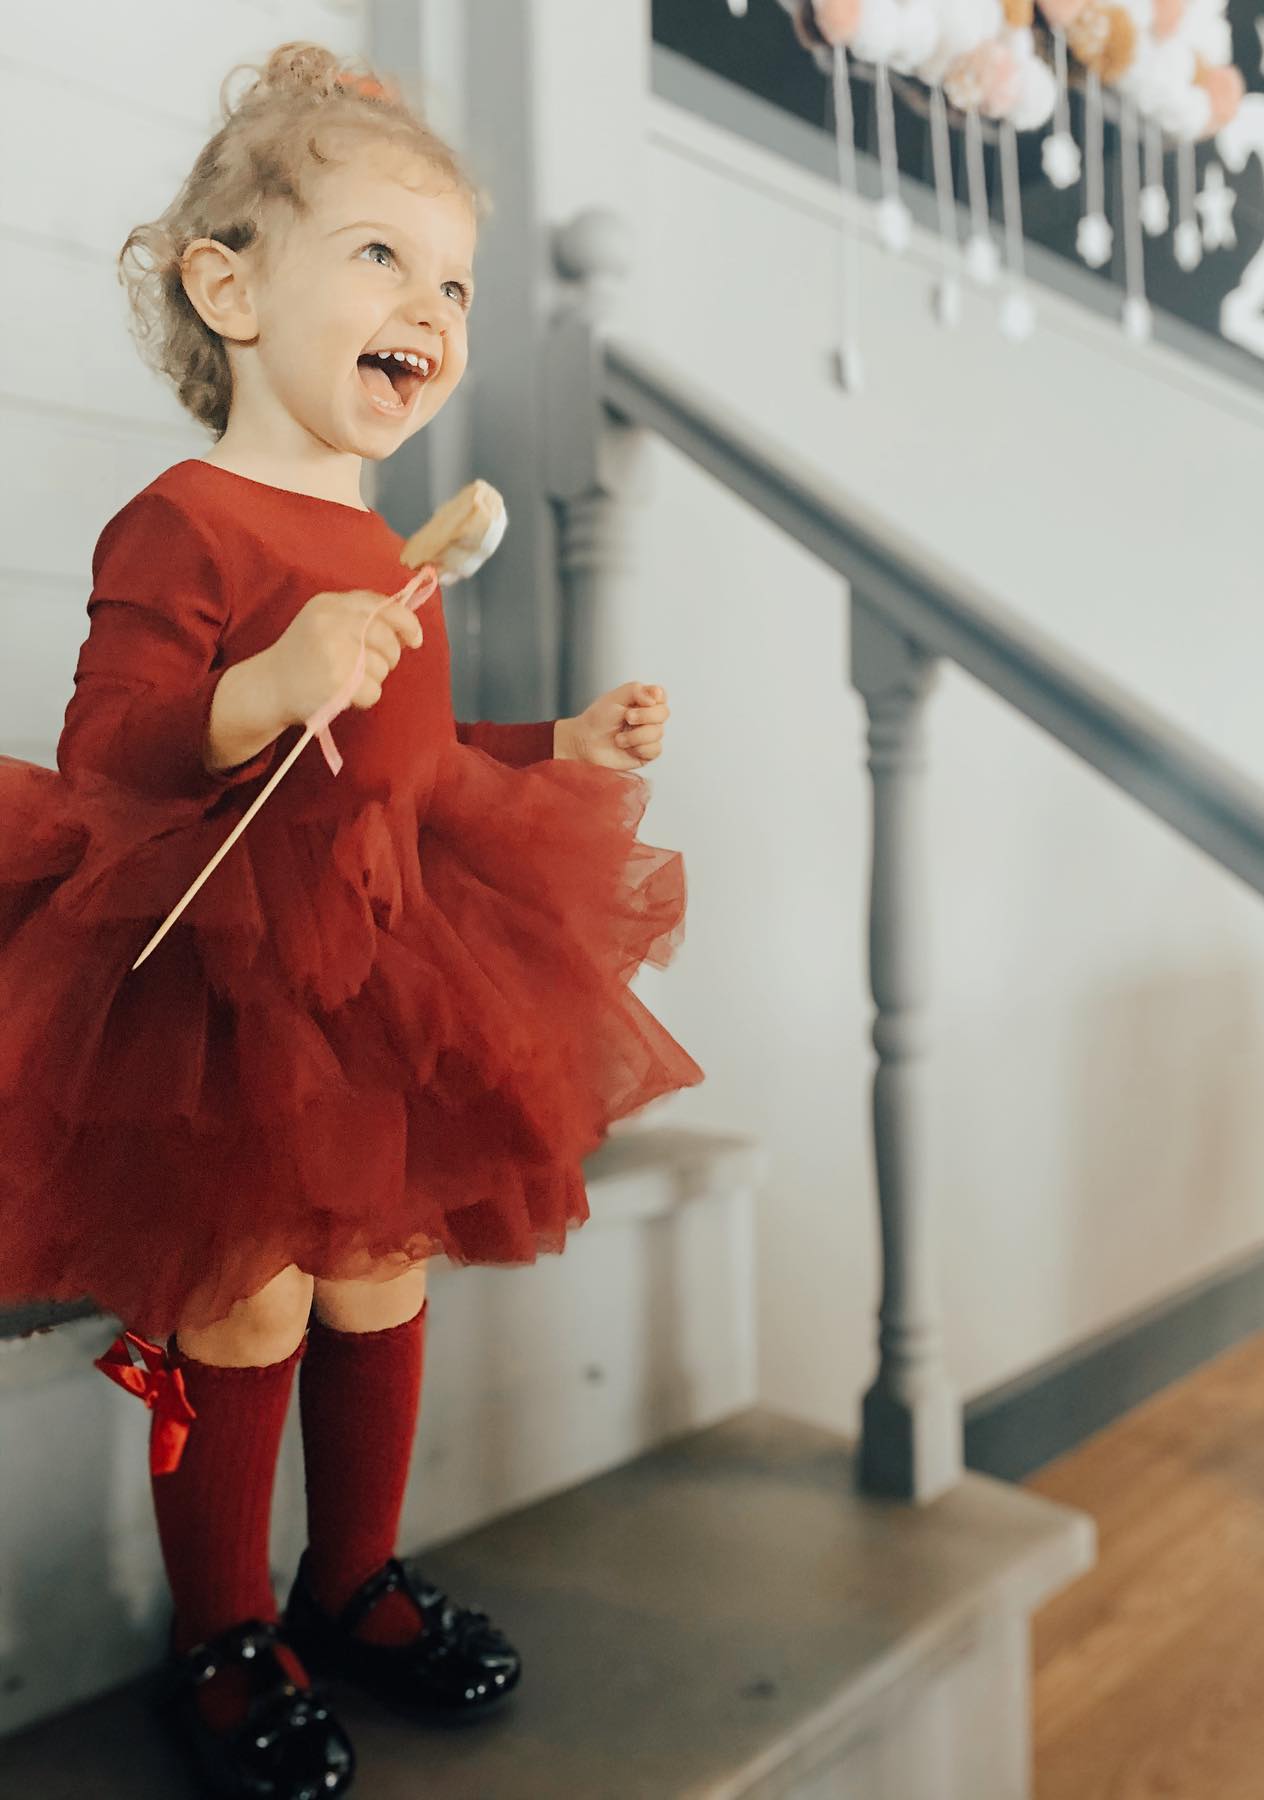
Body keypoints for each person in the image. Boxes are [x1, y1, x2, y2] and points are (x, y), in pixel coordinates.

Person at [0, 39, 703, 1799]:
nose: (433, 303)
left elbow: (412, 766)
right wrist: (264, 683)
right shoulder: (184, 523)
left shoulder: (400, 545)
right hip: (217, 976)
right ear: (229, 289)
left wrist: (550, 745)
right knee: (247, 1302)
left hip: (379, 966)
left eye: (452, 278)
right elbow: (112, 756)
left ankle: (355, 1574)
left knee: (378, 1278)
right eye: (382, 257)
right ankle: (224, 1628)